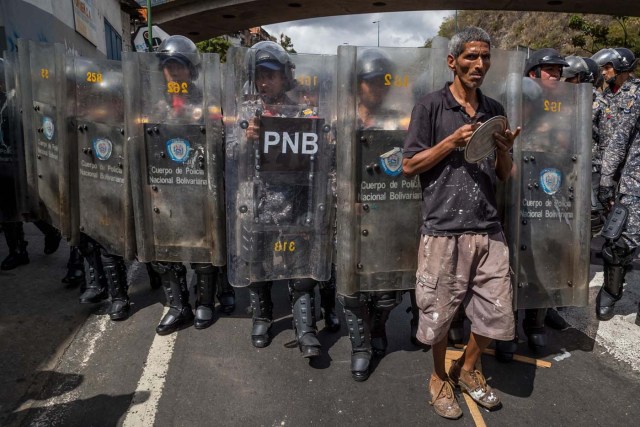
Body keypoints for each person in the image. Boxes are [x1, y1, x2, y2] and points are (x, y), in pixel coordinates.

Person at [402, 27, 520, 419]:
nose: (479, 64)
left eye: (485, 57)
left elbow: (505, 175)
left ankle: (467, 369)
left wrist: (505, 151)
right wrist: (450, 143)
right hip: (442, 230)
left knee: (497, 314)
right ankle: (438, 378)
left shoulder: (494, 110)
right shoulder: (430, 108)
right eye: (471, 57)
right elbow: (408, 166)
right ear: (452, 61)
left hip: (489, 229)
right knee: (438, 316)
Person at [242, 41, 337, 358]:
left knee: (300, 268)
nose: (265, 82)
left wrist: (325, 137)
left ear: (285, 76)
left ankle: (306, 329)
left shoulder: (303, 110)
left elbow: (326, 155)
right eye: (260, 76)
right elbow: (226, 157)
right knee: (258, 265)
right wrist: (245, 140)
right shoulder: (246, 111)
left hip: (297, 200)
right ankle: (262, 318)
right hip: (258, 201)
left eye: (271, 75)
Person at [147, 35, 235, 334]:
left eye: (179, 66)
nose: (173, 72)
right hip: (166, 186)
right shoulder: (153, 103)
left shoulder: (208, 100)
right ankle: (177, 305)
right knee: (165, 247)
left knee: (203, 246)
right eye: (167, 66)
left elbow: (223, 141)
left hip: (200, 183)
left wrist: (214, 122)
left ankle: (205, 302)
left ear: (191, 70)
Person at [592, 48, 640, 321]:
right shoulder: (609, 97)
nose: (604, 72)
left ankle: (612, 290)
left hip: (628, 178)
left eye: (608, 67)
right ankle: (611, 291)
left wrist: (607, 180)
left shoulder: (635, 93)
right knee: (619, 239)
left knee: (623, 239)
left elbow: (618, 142)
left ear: (622, 68)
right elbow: (607, 137)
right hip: (623, 178)